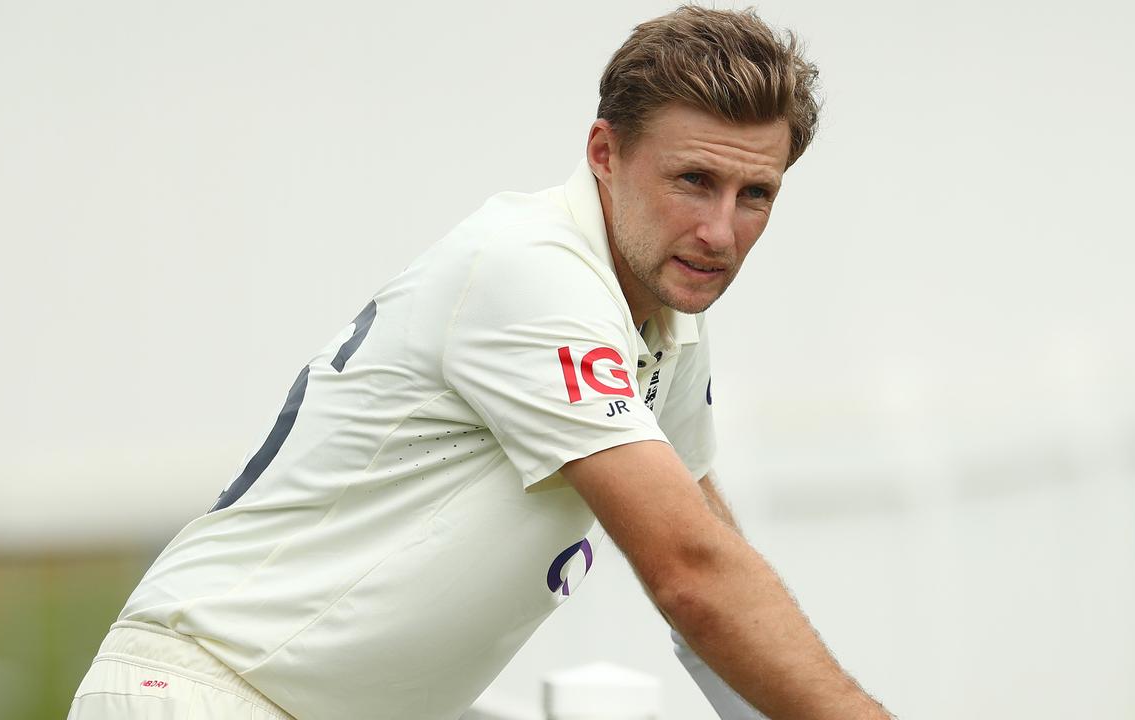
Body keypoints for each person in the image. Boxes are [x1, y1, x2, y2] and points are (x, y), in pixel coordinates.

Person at [68, 6, 892, 720]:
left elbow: (712, 576)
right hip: (206, 695)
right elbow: (692, 575)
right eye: (694, 179)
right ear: (603, 152)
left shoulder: (658, 307)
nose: (721, 231)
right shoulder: (536, 273)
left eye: (756, 195)